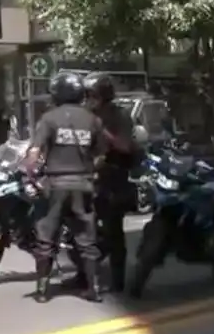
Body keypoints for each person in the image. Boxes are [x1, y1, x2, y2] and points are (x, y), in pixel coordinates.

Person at [24, 71, 107, 303]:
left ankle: (41, 291)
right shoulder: (93, 120)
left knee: (45, 239)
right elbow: (101, 156)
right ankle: (94, 289)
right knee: (87, 240)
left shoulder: (49, 119)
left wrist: (31, 174)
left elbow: (34, 153)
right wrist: (89, 171)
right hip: (83, 185)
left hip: (55, 185)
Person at [84, 73, 136, 294]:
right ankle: (84, 276)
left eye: (92, 94)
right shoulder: (87, 114)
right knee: (84, 232)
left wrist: (101, 129)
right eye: (87, 95)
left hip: (112, 179)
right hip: (86, 177)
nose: (88, 99)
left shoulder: (119, 116)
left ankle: (117, 281)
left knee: (112, 232)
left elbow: (124, 146)